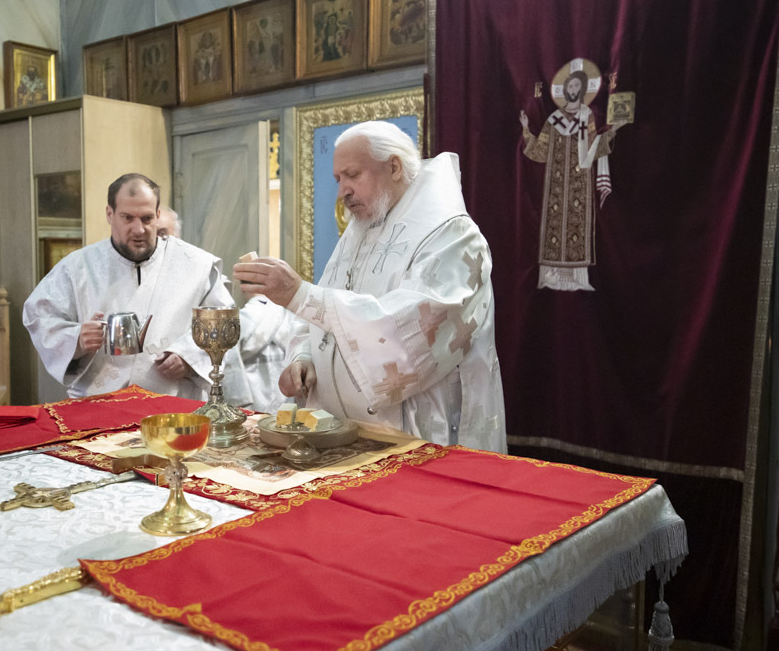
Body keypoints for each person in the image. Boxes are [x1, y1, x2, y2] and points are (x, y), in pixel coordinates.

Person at [233, 121, 506, 451]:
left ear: (394, 167)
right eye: (338, 179)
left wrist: (299, 294)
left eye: (352, 175)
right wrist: (304, 357)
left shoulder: (451, 237)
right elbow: (323, 320)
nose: (342, 192)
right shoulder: (360, 231)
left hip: (419, 438)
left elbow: (408, 338)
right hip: (343, 436)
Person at [23, 173, 234, 399]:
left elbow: (223, 323)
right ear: (110, 214)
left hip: (174, 401)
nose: (139, 229)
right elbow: (39, 316)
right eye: (127, 218)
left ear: (158, 215)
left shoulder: (196, 265)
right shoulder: (77, 268)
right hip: (99, 401)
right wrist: (77, 338)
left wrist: (188, 357)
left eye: (146, 218)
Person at [519, 61, 627, 291]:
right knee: (554, 225)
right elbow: (540, 151)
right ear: (566, 89)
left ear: (583, 89)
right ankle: (551, 276)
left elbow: (593, 147)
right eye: (571, 86)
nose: (574, 89)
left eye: (578, 86)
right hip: (556, 183)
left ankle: (579, 278)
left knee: (577, 223)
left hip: (579, 181)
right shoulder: (554, 119)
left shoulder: (587, 116)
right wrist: (526, 130)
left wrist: (614, 131)